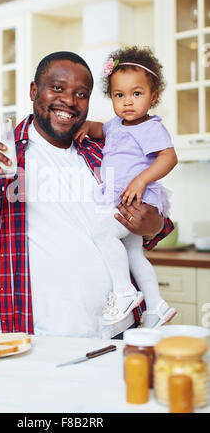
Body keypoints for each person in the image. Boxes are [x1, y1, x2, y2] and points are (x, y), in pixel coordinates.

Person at [0, 51, 174, 339]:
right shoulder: (6, 156)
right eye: (57, 88)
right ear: (35, 91)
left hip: (116, 331)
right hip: (36, 335)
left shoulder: (101, 150)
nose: (69, 101)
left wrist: (154, 225)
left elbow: (154, 225)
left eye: (81, 94)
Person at [74, 46, 178, 329]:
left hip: (137, 198)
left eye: (137, 93)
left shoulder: (151, 128)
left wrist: (141, 179)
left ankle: (124, 292)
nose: (127, 102)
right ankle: (156, 305)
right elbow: (100, 129)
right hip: (120, 198)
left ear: (153, 96)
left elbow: (169, 157)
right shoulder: (117, 125)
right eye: (119, 95)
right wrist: (85, 126)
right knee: (133, 253)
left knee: (102, 232)